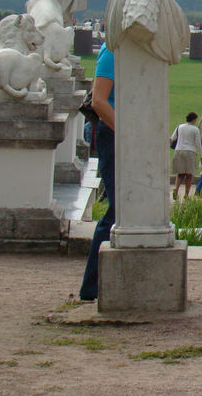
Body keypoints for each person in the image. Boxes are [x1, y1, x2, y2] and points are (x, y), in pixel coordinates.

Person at [79, 42, 114, 301]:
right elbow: (99, 101)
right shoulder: (112, 50)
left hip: (121, 132)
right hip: (113, 133)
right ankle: (91, 286)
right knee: (117, 210)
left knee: (123, 208)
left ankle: (97, 286)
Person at [171, 111, 202, 199]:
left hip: (179, 150)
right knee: (189, 174)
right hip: (190, 152)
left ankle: (176, 190)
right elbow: (198, 144)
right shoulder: (195, 129)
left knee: (180, 174)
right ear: (194, 119)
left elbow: (173, 138)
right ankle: (186, 194)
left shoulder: (179, 127)